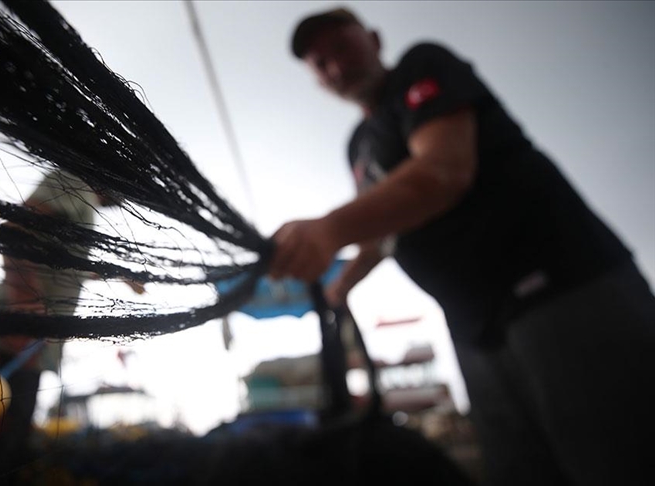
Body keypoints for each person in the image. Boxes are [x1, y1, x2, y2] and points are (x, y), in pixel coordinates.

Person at [269, 7, 655, 486]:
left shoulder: (422, 65)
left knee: (620, 459)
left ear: (373, 37)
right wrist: (341, 284)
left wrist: (327, 230)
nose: (336, 67)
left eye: (342, 48)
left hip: (562, 293)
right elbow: (382, 231)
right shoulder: (359, 146)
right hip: (476, 330)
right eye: (320, 64)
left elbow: (442, 172)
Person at [0, 170, 142, 485]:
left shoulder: (85, 204)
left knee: (1, 457)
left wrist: (118, 277)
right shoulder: (73, 180)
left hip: (30, 350)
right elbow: (15, 228)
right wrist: (23, 306)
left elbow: (62, 267)